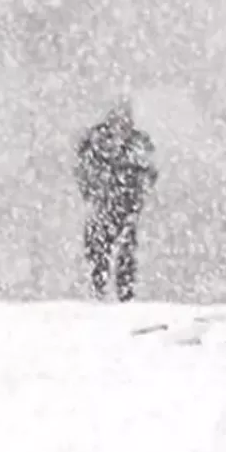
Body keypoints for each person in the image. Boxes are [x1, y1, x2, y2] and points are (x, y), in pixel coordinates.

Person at [75, 100, 159, 302]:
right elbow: (84, 171)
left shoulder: (134, 144)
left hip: (123, 204)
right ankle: (100, 291)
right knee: (101, 250)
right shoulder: (98, 143)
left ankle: (121, 294)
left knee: (123, 251)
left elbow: (149, 172)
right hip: (107, 204)